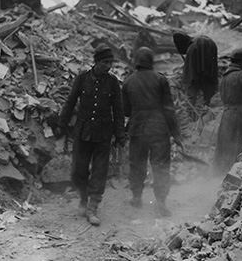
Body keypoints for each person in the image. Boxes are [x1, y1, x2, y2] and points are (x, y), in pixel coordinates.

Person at [57, 44, 125, 226]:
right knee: (78, 171)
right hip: (83, 132)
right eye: (105, 62)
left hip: (104, 134)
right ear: (96, 62)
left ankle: (93, 207)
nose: (108, 66)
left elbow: (118, 111)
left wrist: (120, 135)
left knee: (100, 171)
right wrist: (62, 124)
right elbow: (70, 102)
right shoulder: (82, 79)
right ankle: (83, 198)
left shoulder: (113, 83)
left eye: (110, 63)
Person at [122, 47, 183, 217]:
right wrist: (176, 134)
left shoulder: (128, 82)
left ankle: (136, 197)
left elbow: (125, 111)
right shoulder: (160, 80)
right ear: (151, 61)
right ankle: (161, 202)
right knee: (161, 166)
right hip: (159, 129)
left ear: (137, 61)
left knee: (137, 164)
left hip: (138, 129)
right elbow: (169, 109)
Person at [214, 48, 242, 176]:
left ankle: (220, 174)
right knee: (239, 146)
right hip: (241, 115)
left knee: (225, 146)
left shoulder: (225, 77)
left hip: (227, 115)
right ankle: (235, 174)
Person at [173, 32, 218, 106]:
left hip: (197, 50)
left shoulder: (192, 47)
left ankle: (191, 111)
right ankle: (207, 107)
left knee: (191, 86)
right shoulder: (205, 40)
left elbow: (190, 74)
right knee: (208, 89)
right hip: (210, 73)